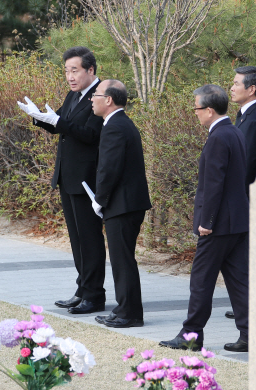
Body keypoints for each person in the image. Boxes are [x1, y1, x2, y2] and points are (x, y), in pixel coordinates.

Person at [159, 84, 249, 352]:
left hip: (218, 224)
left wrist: (206, 222)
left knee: (201, 280)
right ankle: (250, 333)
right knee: (238, 280)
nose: (194, 113)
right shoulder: (235, 131)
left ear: (209, 110)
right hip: (237, 221)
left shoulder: (219, 137)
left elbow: (213, 185)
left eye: (196, 109)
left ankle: (191, 335)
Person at [17, 47, 107, 315]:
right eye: (67, 71)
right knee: (76, 238)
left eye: (75, 70)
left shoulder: (100, 95)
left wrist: (58, 121)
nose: (70, 76)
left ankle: (95, 295)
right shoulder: (74, 95)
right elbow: (59, 123)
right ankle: (82, 289)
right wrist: (39, 117)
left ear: (90, 70)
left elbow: (90, 134)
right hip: (67, 177)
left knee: (89, 238)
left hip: (86, 178)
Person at [89, 80, 152, 328]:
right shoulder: (118, 123)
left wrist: (99, 200)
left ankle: (130, 313)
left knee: (122, 259)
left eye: (96, 94)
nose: (92, 99)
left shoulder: (115, 126)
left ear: (109, 100)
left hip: (123, 205)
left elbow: (109, 169)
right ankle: (125, 308)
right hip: (126, 203)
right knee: (121, 259)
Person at [225, 66, 256, 320]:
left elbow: (247, 165)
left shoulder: (253, 120)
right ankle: (245, 304)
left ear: (251, 89)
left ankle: (250, 306)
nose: (231, 87)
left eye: (236, 83)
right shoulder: (244, 116)